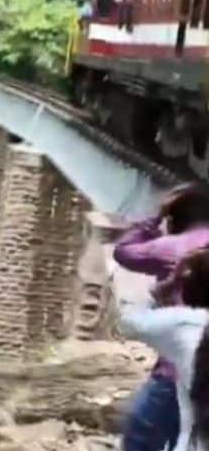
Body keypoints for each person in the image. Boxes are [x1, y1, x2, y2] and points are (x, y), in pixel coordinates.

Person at [113, 183, 209, 451]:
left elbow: (124, 251)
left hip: (176, 369)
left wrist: (155, 215)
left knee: (141, 437)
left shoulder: (176, 247)